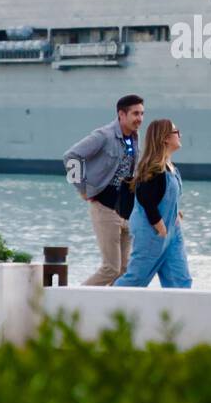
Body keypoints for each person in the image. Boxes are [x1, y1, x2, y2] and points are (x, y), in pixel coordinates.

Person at [63, 95, 144, 285]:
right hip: (105, 208)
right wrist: (81, 188)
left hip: (126, 210)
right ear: (121, 114)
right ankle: (74, 298)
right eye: (135, 114)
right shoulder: (104, 135)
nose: (140, 118)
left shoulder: (134, 137)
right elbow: (71, 156)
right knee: (111, 269)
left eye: (142, 114)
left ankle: (110, 303)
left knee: (124, 270)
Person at [114, 119, 191, 288]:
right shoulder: (154, 168)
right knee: (136, 279)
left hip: (172, 233)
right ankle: (106, 301)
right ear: (165, 138)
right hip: (152, 233)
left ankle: (179, 306)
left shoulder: (171, 168)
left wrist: (175, 211)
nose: (179, 135)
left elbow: (165, 197)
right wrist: (159, 226)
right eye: (176, 132)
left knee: (180, 280)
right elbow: (145, 198)